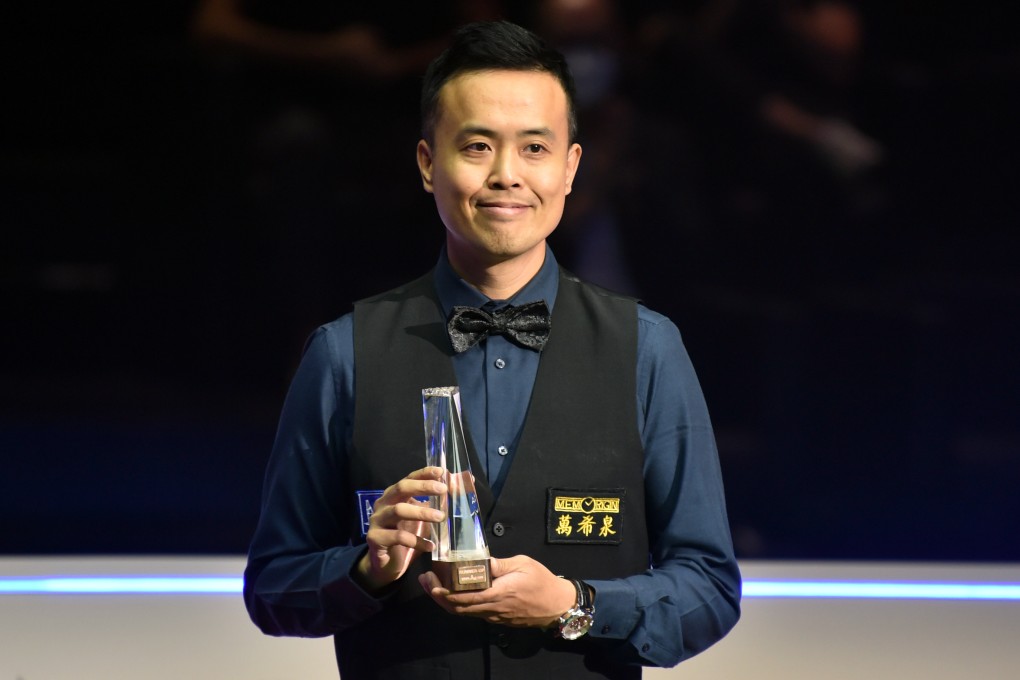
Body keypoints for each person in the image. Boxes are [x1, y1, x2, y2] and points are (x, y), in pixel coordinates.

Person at [243, 20, 740, 679]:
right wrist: (364, 569)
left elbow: (709, 588)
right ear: (427, 164)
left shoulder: (647, 349)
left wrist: (577, 604)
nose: (507, 175)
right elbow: (274, 589)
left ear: (570, 167)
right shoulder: (343, 354)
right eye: (477, 146)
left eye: (534, 148)